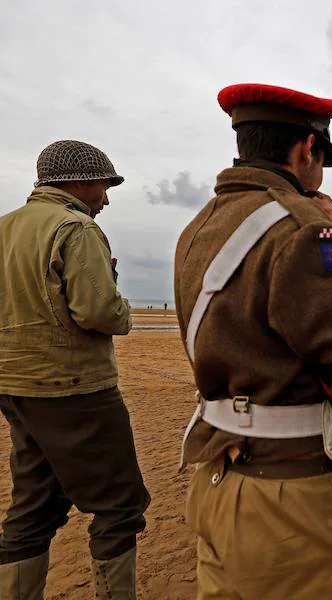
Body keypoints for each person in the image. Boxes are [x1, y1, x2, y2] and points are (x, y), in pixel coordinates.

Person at [174, 83, 332, 599]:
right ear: (305, 150)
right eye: (321, 158)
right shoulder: (306, 234)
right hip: (299, 512)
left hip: (219, 485)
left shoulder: (198, 228)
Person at [0, 140, 150, 599]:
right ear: (80, 181)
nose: (106, 199)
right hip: (73, 386)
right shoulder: (76, 227)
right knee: (120, 507)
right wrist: (120, 302)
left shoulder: (5, 228)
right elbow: (100, 313)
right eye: (105, 187)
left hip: (13, 386)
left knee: (33, 507)